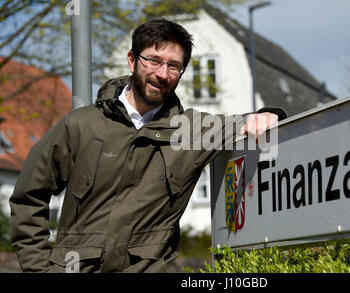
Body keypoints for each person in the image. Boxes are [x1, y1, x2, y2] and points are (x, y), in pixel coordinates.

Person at [9, 18, 286, 273]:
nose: (162, 74)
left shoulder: (192, 131)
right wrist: (39, 268)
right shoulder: (81, 126)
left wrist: (268, 115)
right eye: (153, 61)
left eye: (173, 66)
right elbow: (28, 197)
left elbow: (249, 123)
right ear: (132, 61)